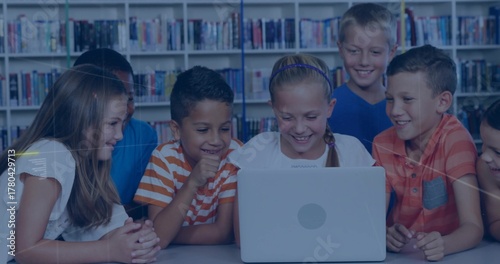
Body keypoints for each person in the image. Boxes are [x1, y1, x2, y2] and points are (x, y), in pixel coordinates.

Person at [0, 64, 160, 263]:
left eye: (123, 124)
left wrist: (137, 239)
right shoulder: (53, 154)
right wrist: (109, 249)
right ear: (83, 116)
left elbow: (111, 232)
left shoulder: (87, 164)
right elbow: (25, 250)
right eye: (112, 123)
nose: (119, 135)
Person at [228, 54, 376, 245]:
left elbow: (365, 227)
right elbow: (243, 238)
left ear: (330, 108)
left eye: (311, 117)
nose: (299, 128)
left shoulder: (351, 152)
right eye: (287, 118)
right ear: (273, 109)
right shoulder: (259, 151)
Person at [372, 44, 483, 261]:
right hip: (401, 256)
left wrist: (444, 244)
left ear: (442, 102)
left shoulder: (455, 140)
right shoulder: (381, 142)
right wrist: (385, 234)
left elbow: (473, 227)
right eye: (390, 99)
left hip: (447, 255)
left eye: (408, 99)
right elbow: (374, 218)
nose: (394, 110)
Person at [134, 66, 242, 249]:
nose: (216, 141)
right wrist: (192, 183)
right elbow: (160, 235)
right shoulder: (164, 159)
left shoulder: (235, 155)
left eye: (224, 129)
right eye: (202, 130)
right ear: (176, 130)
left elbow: (224, 232)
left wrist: (166, 233)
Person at [74, 48, 158, 220]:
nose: (127, 109)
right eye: (116, 99)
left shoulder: (143, 136)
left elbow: (148, 204)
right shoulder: (58, 150)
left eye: (131, 98)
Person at [328, 3, 397, 153]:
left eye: (375, 52)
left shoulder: (402, 109)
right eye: (354, 51)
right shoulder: (326, 108)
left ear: (391, 52)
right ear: (340, 49)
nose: (364, 61)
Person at [476, 99, 500, 241]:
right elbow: (495, 222)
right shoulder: (485, 169)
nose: (484, 156)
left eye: (498, 152)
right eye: (484, 144)